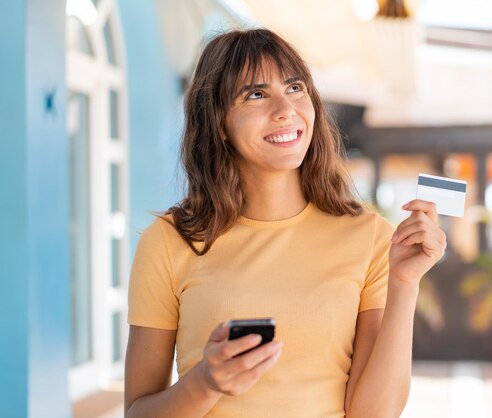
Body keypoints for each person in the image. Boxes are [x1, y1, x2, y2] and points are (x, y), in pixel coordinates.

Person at [124, 28, 446, 418]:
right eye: (256, 94)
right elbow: (137, 412)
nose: (285, 109)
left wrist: (404, 283)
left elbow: (372, 413)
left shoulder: (370, 238)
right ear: (219, 124)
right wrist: (205, 382)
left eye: (295, 88)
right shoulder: (169, 241)